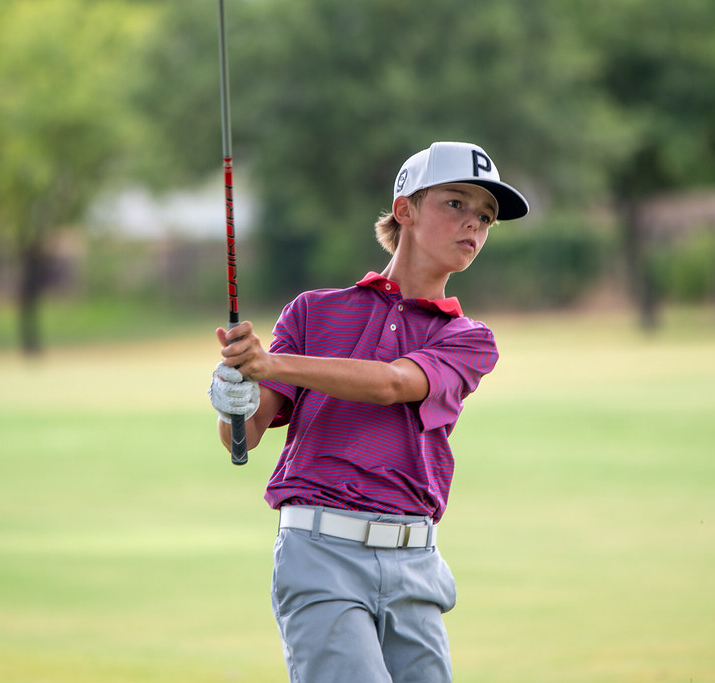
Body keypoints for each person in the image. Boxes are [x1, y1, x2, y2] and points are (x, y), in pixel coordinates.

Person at [209, 141, 529, 682]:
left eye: (486, 217)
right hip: (320, 554)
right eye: (455, 204)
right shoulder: (314, 312)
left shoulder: (469, 339)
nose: (473, 224)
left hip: (416, 566)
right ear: (404, 209)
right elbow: (247, 431)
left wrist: (273, 364)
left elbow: (392, 383)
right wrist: (235, 394)